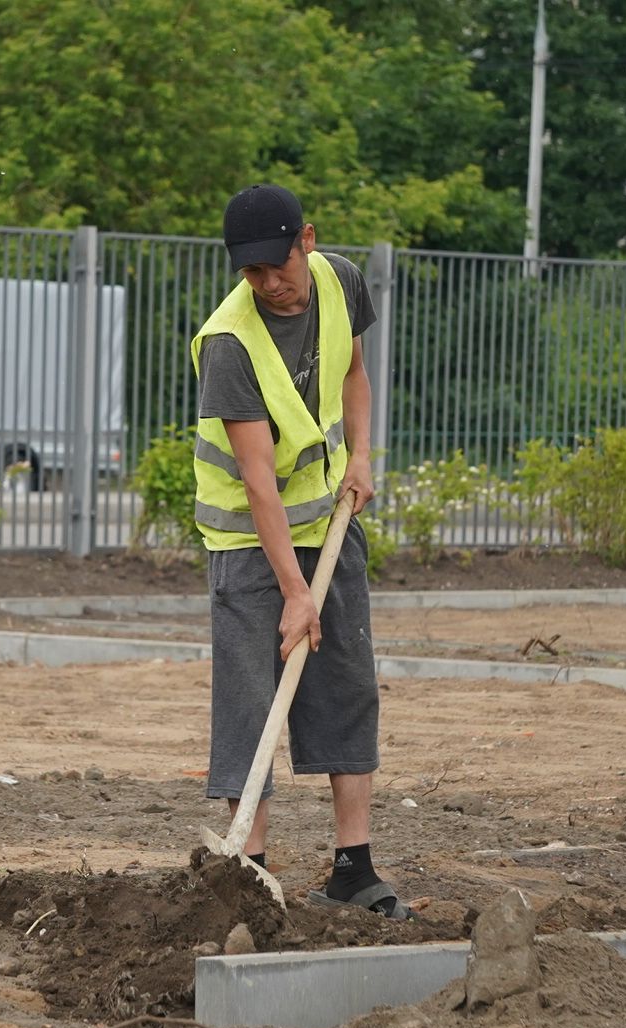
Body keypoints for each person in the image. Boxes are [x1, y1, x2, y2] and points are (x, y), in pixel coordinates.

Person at [190, 183, 409, 919]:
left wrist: (362, 456)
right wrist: (294, 590)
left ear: (305, 242)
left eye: (275, 268)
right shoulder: (228, 342)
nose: (266, 284)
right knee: (252, 699)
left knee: (347, 684)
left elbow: (351, 373)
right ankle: (248, 875)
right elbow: (257, 481)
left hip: (331, 523)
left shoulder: (340, 280)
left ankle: (354, 868)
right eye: (250, 273)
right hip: (249, 544)